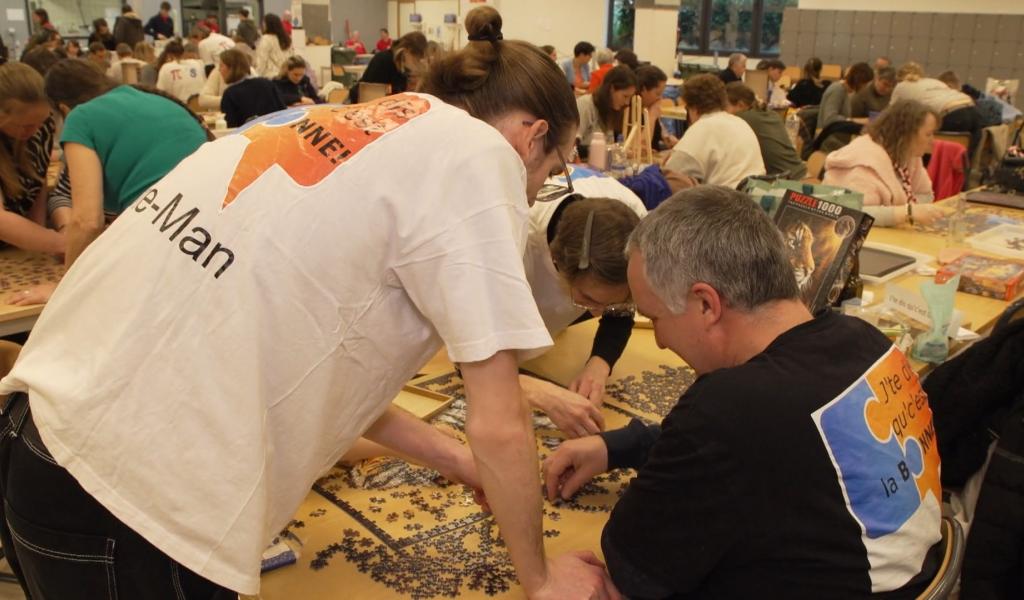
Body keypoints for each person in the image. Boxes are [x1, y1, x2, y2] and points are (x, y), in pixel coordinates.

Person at [0, 6, 617, 599]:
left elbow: (329, 378)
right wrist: (539, 580)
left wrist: (463, 464)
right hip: (133, 497)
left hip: (39, 440)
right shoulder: (482, 155)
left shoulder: (349, 119)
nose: (538, 188)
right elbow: (500, 418)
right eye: (553, 170)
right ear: (532, 138)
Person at [543, 185, 944, 598]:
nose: (660, 341)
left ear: (705, 304)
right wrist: (618, 448)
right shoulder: (866, 341)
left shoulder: (728, 407)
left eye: (655, 317)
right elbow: (766, 449)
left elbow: (633, 568)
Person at [42, 58, 208, 270]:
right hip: (208, 234)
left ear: (63, 109)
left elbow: (87, 222)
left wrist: (65, 288)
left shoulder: (80, 117)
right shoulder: (153, 99)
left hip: (171, 238)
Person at [521, 192, 645, 437]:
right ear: (557, 263)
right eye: (588, 299)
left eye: (611, 303)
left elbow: (619, 312)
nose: (597, 313)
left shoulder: (636, 233)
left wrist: (599, 363)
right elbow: (471, 361)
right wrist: (547, 395)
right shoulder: (519, 244)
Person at [824, 100, 945, 227]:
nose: (933, 141)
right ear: (906, 133)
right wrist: (906, 213)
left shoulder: (908, 153)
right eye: (928, 134)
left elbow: (925, 194)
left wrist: (912, 211)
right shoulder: (865, 160)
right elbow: (854, 213)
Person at [0, 63, 69, 255]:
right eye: (25, 125)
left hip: (18, 244)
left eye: (40, 122)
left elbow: (37, 185)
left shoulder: (41, 126)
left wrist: (37, 232)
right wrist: (61, 243)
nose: (35, 130)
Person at [664, 74, 764, 188]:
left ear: (694, 108)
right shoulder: (741, 123)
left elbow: (670, 175)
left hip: (723, 201)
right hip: (754, 198)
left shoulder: (701, 129)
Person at [891, 62, 981, 155]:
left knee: (929, 150)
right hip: (972, 108)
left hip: (951, 113)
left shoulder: (901, 86)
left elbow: (890, 114)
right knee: (965, 158)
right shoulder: (934, 81)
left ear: (899, 78)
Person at [725, 82, 805, 178]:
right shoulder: (771, 113)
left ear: (740, 105)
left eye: (725, 106)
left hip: (784, 181)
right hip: (800, 172)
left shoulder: (743, 118)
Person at [576, 65, 636, 160]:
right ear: (611, 89)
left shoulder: (612, 109)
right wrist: (605, 150)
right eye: (625, 96)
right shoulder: (586, 105)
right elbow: (571, 149)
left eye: (629, 98)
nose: (627, 103)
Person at [350, 31, 427, 103]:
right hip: (364, 101)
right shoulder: (383, 60)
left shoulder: (403, 66)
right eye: (417, 59)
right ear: (407, 51)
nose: (417, 64)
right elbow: (369, 95)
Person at [219, 49, 285, 126]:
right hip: (275, 132)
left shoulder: (230, 93)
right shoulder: (267, 83)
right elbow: (283, 112)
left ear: (231, 67)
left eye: (221, 65)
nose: (219, 69)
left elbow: (230, 127)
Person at [817, 61, 873, 131]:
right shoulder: (837, 89)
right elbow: (829, 119)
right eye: (866, 85)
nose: (867, 88)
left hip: (837, 135)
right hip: (828, 138)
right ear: (860, 81)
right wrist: (854, 120)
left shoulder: (847, 92)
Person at [636, 65, 677, 150]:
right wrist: (652, 116)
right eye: (658, 94)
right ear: (643, 89)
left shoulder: (649, 107)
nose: (660, 98)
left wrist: (666, 137)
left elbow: (659, 128)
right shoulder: (631, 111)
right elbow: (641, 147)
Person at [254, 13, 294, 78]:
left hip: (270, 76)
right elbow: (292, 57)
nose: (262, 26)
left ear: (267, 25)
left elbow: (261, 60)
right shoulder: (287, 39)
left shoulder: (266, 39)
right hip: (286, 75)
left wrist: (256, 77)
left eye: (263, 23)